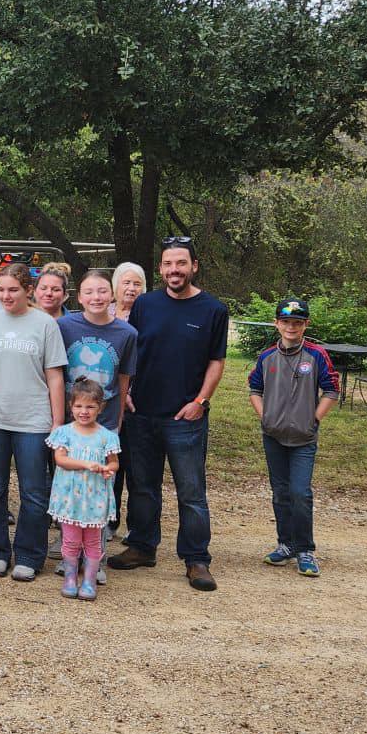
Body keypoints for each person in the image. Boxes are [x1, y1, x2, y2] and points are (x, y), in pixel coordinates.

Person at [109, 238, 229, 592]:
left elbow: (217, 361)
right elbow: (134, 352)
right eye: (167, 264)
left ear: (194, 266)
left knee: (191, 491)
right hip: (142, 413)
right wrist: (126, 392)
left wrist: (201, 401)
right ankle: (142, 546)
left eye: (180, 263)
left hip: (185, 417)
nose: (173, 270)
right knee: (143, 487)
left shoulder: (213, 310)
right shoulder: (146, 304)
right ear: (160, 269)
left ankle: (196, 559)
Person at [0, 261, 67, 580]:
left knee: (34, 491)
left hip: (33, 421)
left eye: (13, 290)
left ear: (28, 290)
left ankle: (29, 554)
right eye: (0, 290)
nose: (6, 296)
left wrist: (57, 422)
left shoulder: (45, 325)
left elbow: (55, 377)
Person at [248, 297, 339, 578]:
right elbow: (254, 389)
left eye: (297, 323)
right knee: (281, 492)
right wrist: (265, 416)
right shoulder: (266, 357)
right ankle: (285, 544)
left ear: (305, 325)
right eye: (286, 322)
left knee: (300, 493)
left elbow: (332, 390)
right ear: (277, 324)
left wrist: (314, 418)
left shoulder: (316, 355)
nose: (291, 327)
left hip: (303, 438)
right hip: (273, 436)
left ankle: (305, 549)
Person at [58, 270, 138, 555]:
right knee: (70, 489)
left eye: (102, 291)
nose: (96, 297)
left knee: (100, 491)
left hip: (103, 425)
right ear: (79, 297)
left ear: (112, 295)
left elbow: (124, 378)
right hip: (70, 424)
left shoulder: (126, 333)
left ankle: (96, 555)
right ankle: (68, 551)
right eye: (89, 292)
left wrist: (117, 420)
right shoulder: (63, 326)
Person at [47, 378, 121, 601]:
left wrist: (109, 469)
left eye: (90, 406)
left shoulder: (107, 436)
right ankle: (70, 578)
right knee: (70, 540)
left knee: (93, 541)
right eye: (79, 406)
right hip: (70, 499)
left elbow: (114, 462)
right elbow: (60, 460)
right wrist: (87, 464)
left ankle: (89, 580)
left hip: (94, 499)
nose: (84, 411)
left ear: (100, 407)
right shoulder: (64, 433)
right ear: (71, 406)